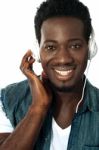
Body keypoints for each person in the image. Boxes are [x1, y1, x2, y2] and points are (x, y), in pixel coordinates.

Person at [0, 0, 99, 149]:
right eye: (51, 47)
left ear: (90, 49)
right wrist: (38, 107)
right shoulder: (8, 100)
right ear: (37, 51)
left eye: (75, 46)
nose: (63, 59)